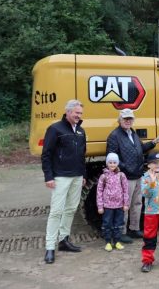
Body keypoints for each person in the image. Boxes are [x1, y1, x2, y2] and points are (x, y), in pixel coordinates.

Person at [106, 108, 159, 243]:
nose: (128, 121)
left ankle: (134, 229)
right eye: (125, 119)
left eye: (130, 119)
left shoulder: (132, 133)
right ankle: (121, 232)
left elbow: (141, 149)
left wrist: (155, 141)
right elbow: (112, 158)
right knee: (124, 205)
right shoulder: (114, 136)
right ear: (119, 120)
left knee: (137, 203)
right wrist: (126, 169)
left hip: (138, 175)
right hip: (126, 176)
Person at [42, 99, 87, 264]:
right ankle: (49, 247)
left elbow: (82, 155)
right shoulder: (55, 129)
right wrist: (48, 176)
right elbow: (46, 154)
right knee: (56, 211)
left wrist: (83, 175)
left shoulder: (81, 131)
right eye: (76, 113)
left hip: (77, 176)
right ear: (68, 112)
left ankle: (63, 241)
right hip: (60, 176)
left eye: (80, 113)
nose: (79, 116)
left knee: (70, 209)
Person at [97, 153, 129, 252]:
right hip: (107, 206)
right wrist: (100, 206)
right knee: (107, 223)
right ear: (107, 163)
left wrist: (126, 203)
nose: (112, 164)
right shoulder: (103, 177)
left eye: (114, 162)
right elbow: (99, 191)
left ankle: (117, 241)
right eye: (110, 162)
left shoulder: (121, 175)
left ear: (117, 163)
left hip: (119, 205)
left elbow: (125, 190)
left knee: (119, 223)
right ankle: (108, 242)